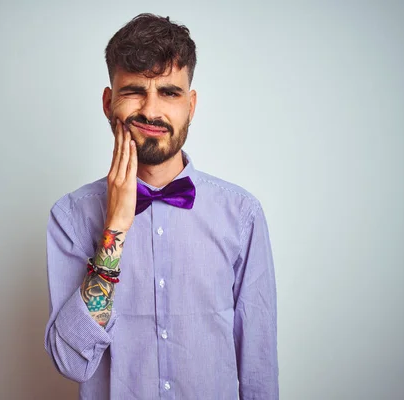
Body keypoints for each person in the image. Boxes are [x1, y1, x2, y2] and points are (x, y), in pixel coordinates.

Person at [44, 13, 278, 399]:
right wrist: (115, 228)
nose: (151, 111)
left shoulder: (242, 215)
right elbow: (72, 364)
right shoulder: (70, 217)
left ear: (191, 104)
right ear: (108, 102)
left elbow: (259, 366)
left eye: (169, 92)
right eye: (135, 90)